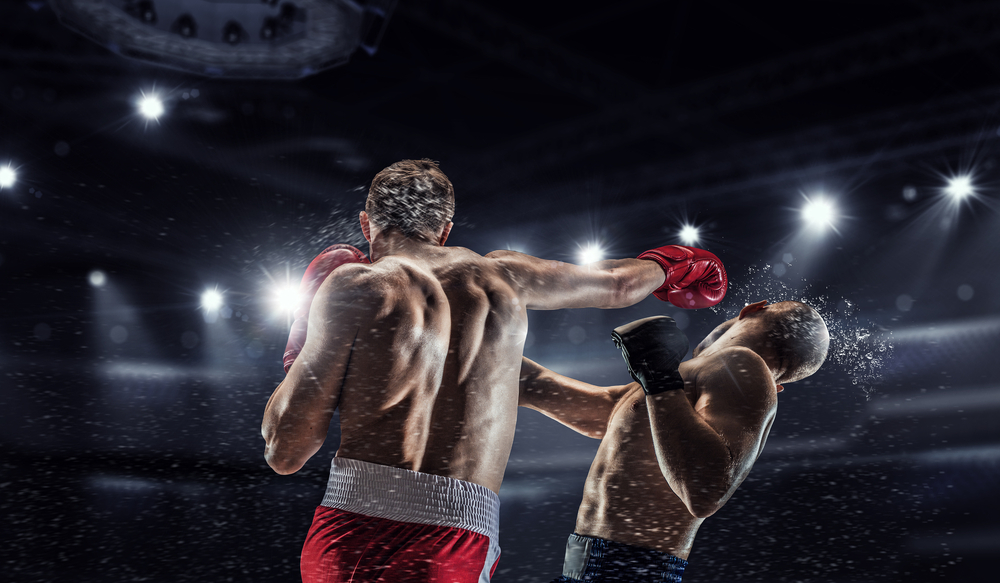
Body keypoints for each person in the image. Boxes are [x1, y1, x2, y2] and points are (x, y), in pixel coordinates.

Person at [260, 159, 729, 583]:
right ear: (445, 229)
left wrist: (299, 344)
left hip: (354, 529)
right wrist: (671, 274)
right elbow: (617, 286)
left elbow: (286, 452)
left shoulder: (355, 287)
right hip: (457, 541)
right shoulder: (502, 281)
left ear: (367, 225)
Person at [518, 300, 830, 582]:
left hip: (629, 573)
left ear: (752, 308)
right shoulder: (678, 387)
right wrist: (488, 332)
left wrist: (658, 377)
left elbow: (706, 492)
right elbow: (536, 386)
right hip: (589, 571)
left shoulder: (741, 364)